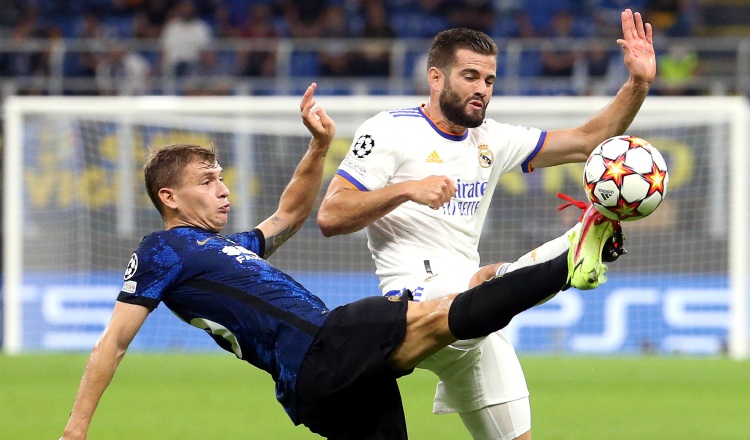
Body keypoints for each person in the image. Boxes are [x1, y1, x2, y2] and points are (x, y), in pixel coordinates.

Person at [59, 83, 618, 440]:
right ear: (169, 198)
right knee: (446, 312)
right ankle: (566, 260)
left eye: (223, 177)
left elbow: (289, 216)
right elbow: (113, 342)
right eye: (207, 182)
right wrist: (77, 428)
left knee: (448, 315)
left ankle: (566, 260)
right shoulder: (162, 250)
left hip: (321, 390)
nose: (223, 191)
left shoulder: (226, 248)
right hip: (322, 346)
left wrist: (319, 147)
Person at [317, 9, 654, 440]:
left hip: (481, 329)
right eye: (470, 76)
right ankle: (575, 246)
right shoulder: (389, 131)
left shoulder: (491, 139)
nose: (482, 90)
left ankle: (577, 244)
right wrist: (406, 190)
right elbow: (331, 215)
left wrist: (638, 83)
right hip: (419, 304)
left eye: (489, 81)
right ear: (436, 78)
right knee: (486, 281)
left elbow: (589, 140)